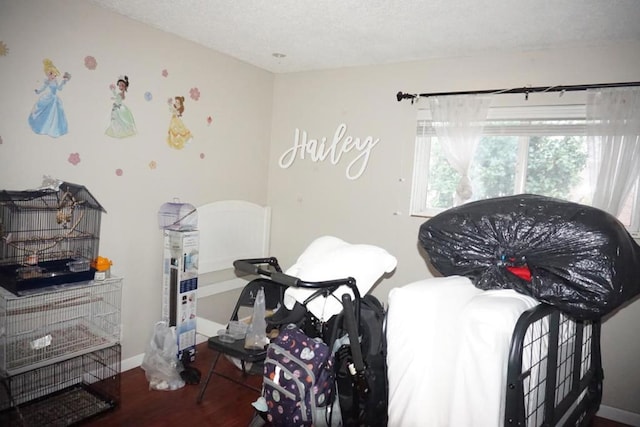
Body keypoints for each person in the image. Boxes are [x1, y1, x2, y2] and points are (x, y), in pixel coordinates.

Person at [28, 58, 71, 138]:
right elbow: (43, 87)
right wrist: (38, 91)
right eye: (51, 73)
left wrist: (64, 81)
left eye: (54, 74)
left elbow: (59, 88)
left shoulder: (55, 81)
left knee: (56, 114)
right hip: (49, 97)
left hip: (55, 98)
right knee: (45, 111)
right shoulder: (48, 81)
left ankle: (53, 128)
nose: (53, 76)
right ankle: (43, 126)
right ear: (47, 73)